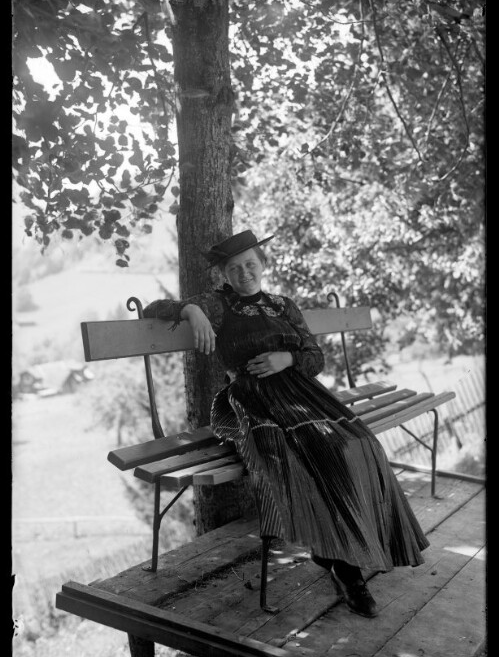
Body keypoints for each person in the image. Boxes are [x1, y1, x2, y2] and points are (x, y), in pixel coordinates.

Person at [144, 229, 430, 618]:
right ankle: (346, 569)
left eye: (250, 264)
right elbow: (153, 308)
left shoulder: (283, 305)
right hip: (255, 401)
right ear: (225, 275)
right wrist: (190, 310)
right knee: (308, 452)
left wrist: (288, 360)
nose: (244, 273)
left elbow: (315, 357)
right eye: (234, 268)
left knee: (359, 444)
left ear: (263, 265)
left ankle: (358, 545)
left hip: (304, 395)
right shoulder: (217, 304)